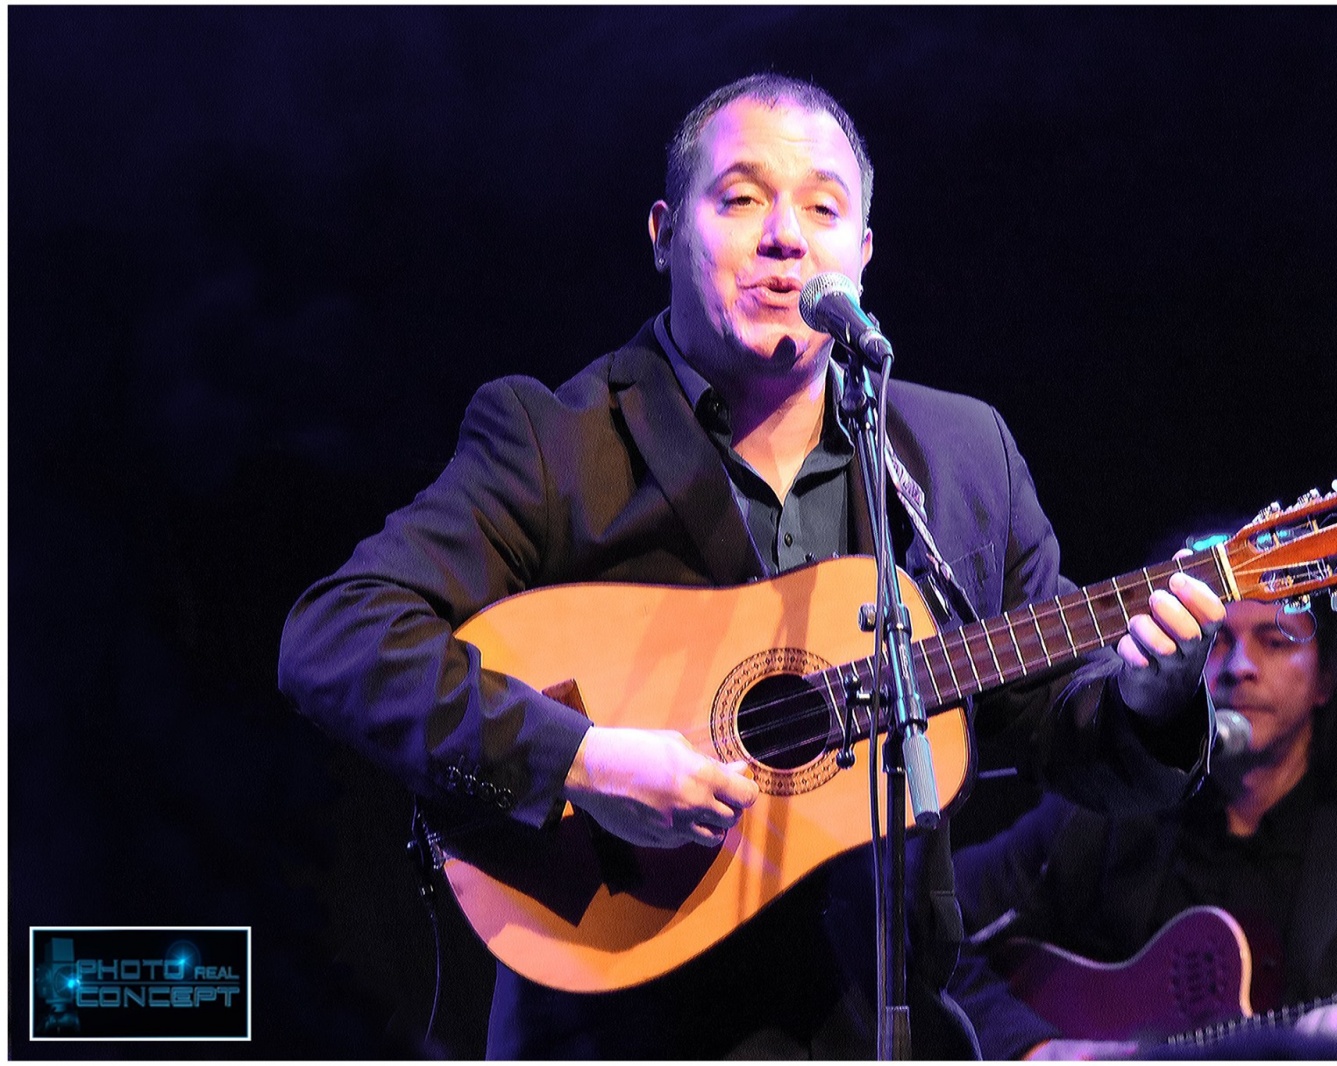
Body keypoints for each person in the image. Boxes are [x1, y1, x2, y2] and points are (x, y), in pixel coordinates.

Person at [278, 73, 1227, 1059]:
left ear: (862, 253)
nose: (784, 237)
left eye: (823, 208)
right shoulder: (556, 441)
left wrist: (1152, 701)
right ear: (662, 233)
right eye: (740, 198)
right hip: (622, 1036)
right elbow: (336, 638)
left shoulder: (961, 456)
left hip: (881, 1029)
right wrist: (584, 758)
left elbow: (1054, 724)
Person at [948, 575, 1337, 1059]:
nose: (1238, 667)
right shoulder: (1103, 812)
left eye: (1276, 641)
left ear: (1329, 675)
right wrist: (1033, 1047)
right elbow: (931, 925)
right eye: (1217, 641)